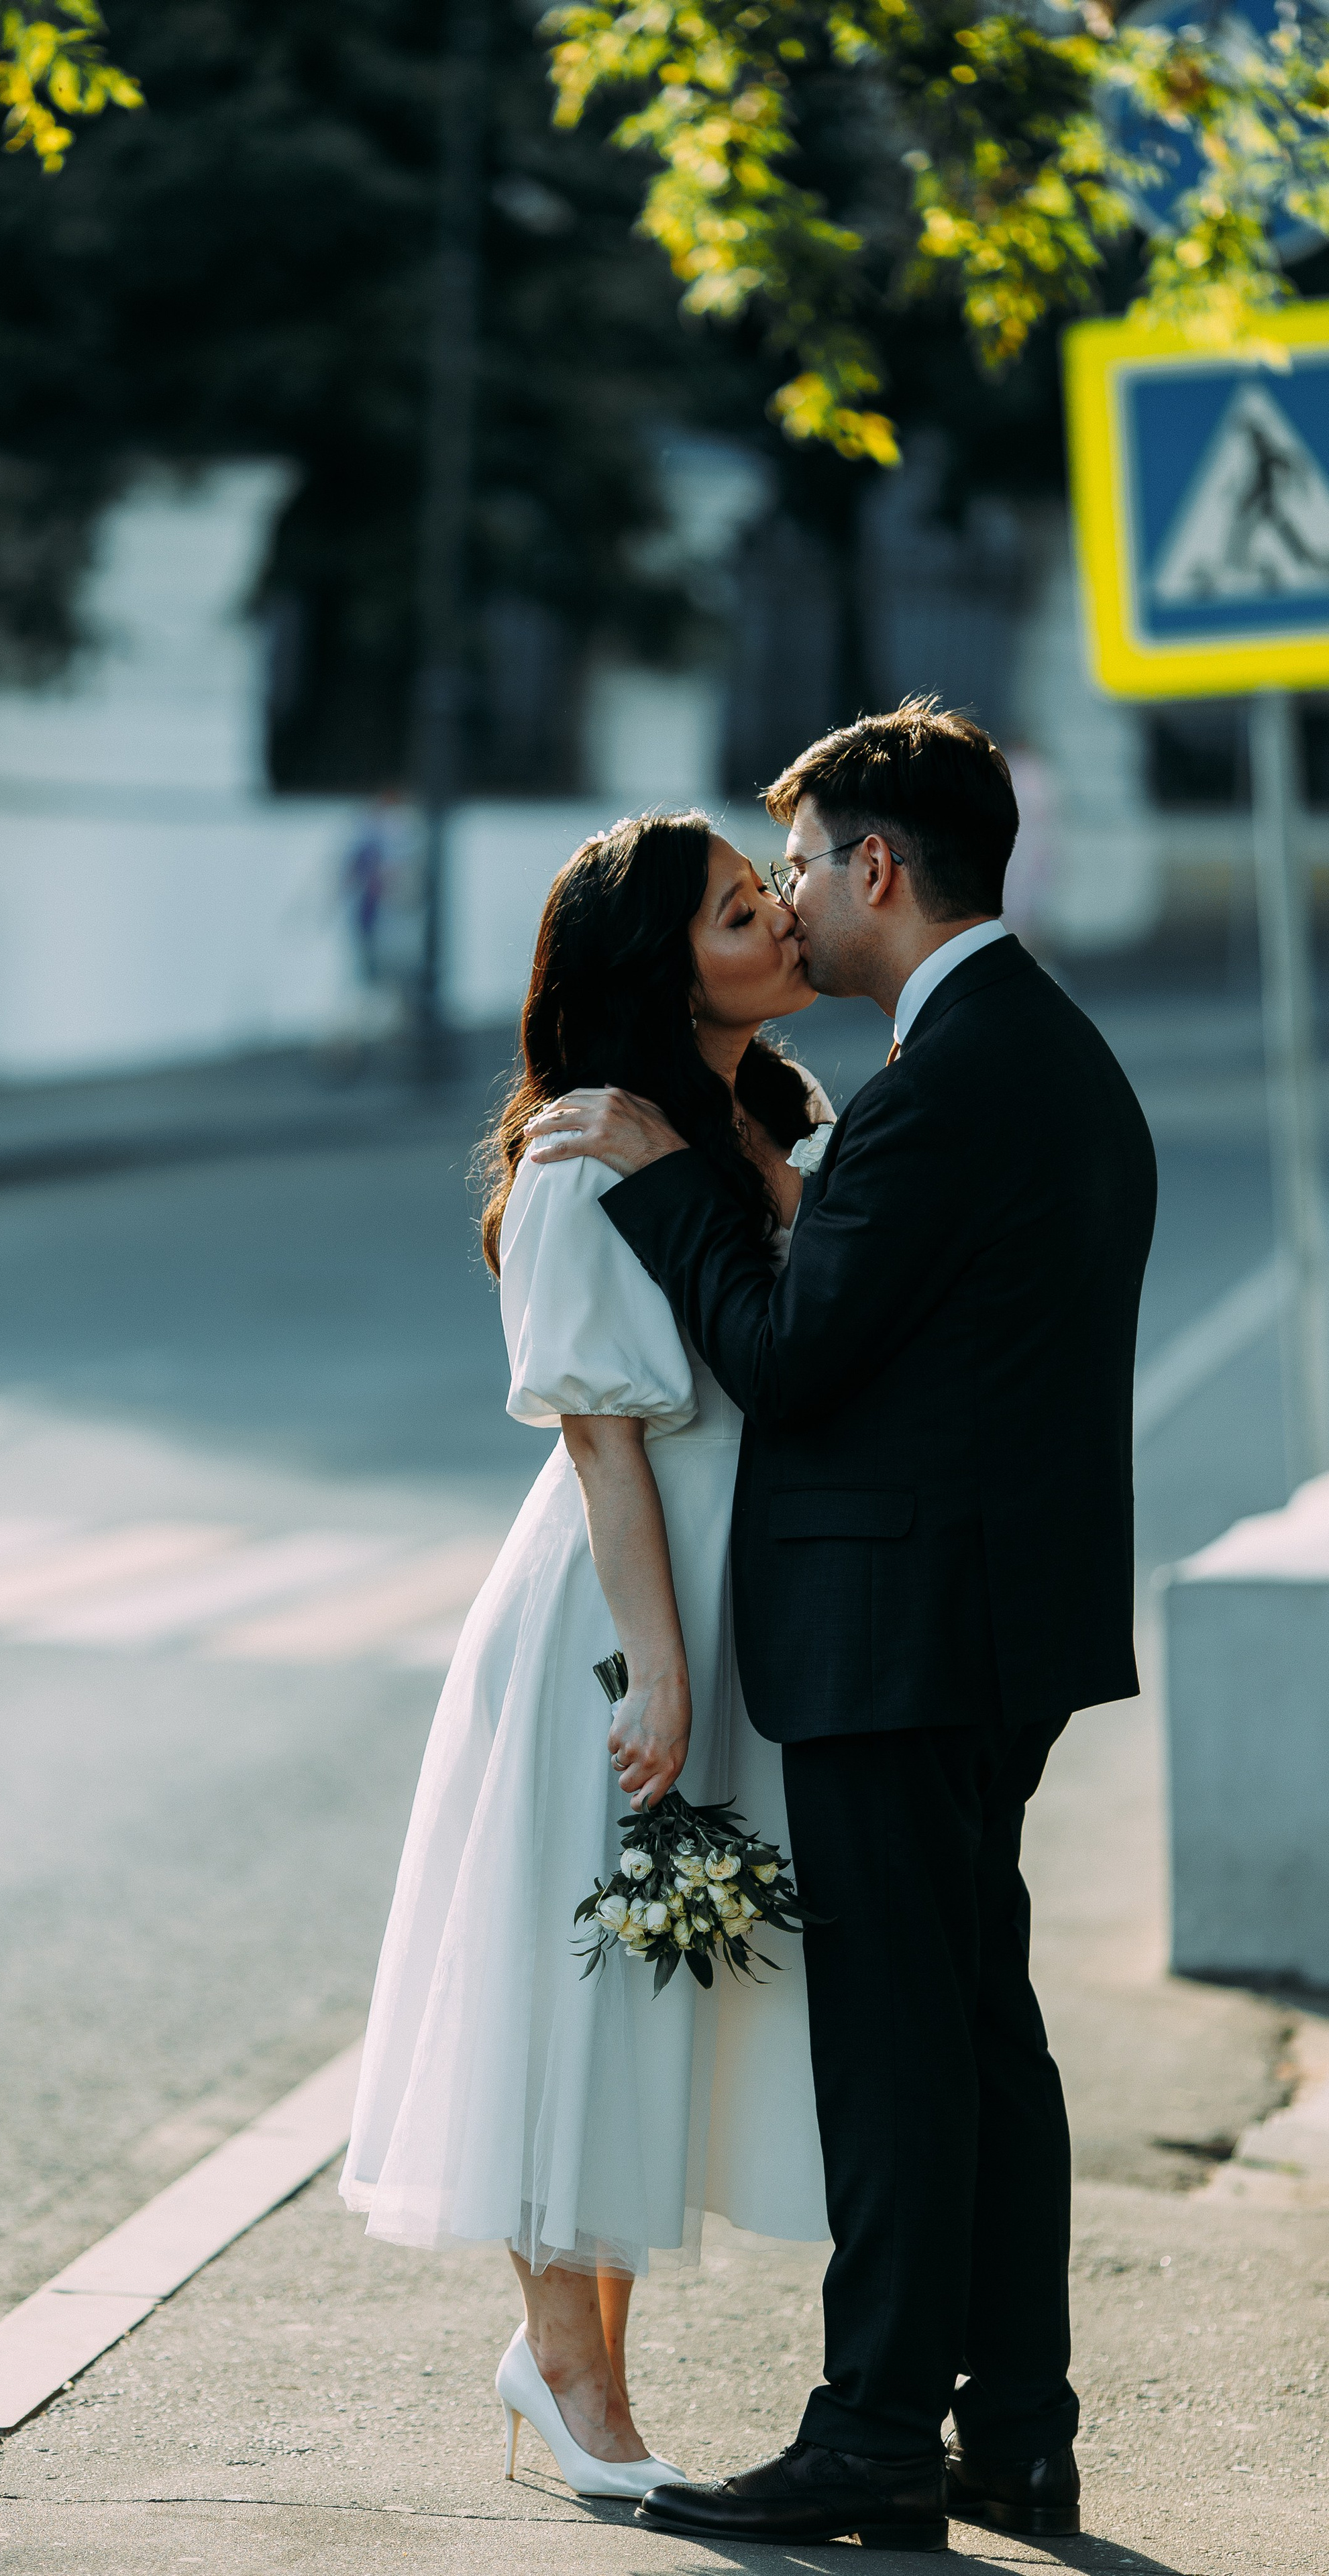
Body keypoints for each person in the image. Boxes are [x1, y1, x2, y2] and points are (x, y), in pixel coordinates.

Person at [529, 698, 1157, 2552]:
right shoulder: (1035, 1049)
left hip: (908, 1636)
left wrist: (669, 1182)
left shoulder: (944, 1084)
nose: (789, 898)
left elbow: (791, 1358)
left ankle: (877, 2434)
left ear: (877, 865)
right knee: (977, 2039)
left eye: (797, 864)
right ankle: (1014, 2431)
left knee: (903, 2057)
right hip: (991, 1625)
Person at [342, 811, 832, 2498]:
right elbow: (602, 1443)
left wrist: (748, 1157)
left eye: (766, 894)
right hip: (617, 1613)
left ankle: (584, 2368)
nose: (779, 920)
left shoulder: (776, 1115)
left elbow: (831, 1297)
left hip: (726, 1592)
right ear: (658, 972)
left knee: (653, 1983)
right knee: (583, 1969)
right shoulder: (573, 1161)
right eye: (737, 912)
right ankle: (564, 2370)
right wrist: (660, 1672)